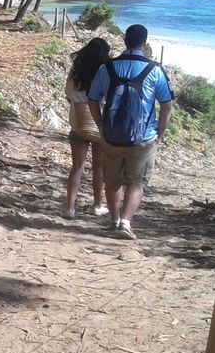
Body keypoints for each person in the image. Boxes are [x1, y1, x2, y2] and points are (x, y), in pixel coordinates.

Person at [87, 24, 174, 240]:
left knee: (112, 180)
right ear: (144, 43)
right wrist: (159, 133)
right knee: (137, 181)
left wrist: (100, 125)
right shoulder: (155, 69)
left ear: (125, 41)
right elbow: (167, 105)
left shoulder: (106, 68)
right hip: (144, 138)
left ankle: (114, 220)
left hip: (111, 136)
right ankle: (126, 221)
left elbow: (93, 99)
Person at [62, 37, 110, 219]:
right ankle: (97, 205)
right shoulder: (104, 73)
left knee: (77, 168)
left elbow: (68, 95)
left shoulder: (76, 72)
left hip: (79, 124)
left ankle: (70, 208)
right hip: (100, 125)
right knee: (99, 168)